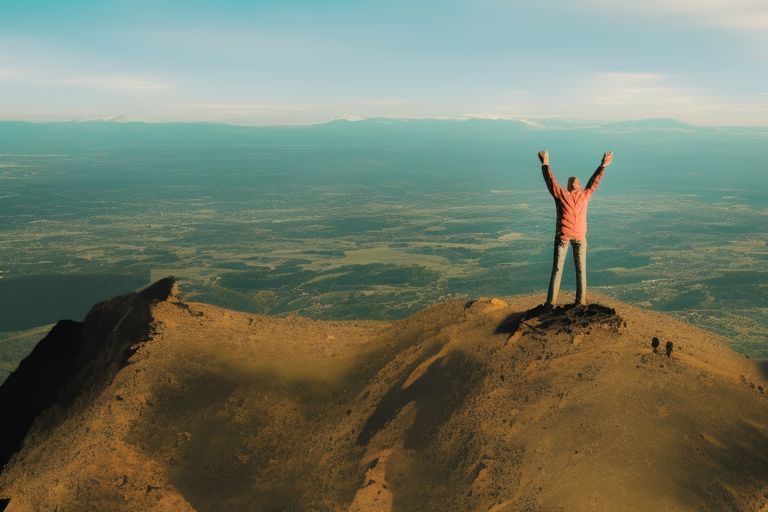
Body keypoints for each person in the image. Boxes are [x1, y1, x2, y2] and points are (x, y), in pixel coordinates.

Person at [538, 149, 613, 306]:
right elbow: (594, 181)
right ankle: (581, 301)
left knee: (557, 270)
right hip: (580, 236)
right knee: (581, 270)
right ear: (579, 186)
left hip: (563, 236)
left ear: (568, 186)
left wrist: (545, 163)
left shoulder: (561, 195)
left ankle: (550, 304)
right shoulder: (585, 195)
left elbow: (550, 181)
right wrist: (603, 165)